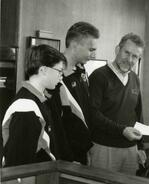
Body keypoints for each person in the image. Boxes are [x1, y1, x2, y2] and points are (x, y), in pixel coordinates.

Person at [88, 33, 145, 175]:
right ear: (117, 50)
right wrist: (122, 130)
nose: (130, 59)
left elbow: (138, 114)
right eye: (127, 53)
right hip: (104, 147)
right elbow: (92, 114)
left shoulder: (135, 79)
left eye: (135, 56)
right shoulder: (99, 76)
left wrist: (141, 146)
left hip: (131, 150)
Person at [2, 45, 66, 167]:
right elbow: (19, 163)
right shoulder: (26, 107)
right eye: (59, 71)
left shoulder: (38, 99)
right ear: (43, 70)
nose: (61, 77)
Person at [46, 21, 100, 165]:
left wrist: (86, 147)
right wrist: (67, 157)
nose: (94, 54)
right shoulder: (54, 75)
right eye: (91, 49)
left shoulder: (81, 70)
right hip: (65, 156)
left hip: (82, 149)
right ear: (75, 45)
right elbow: (55, 124)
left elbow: (84, 112)